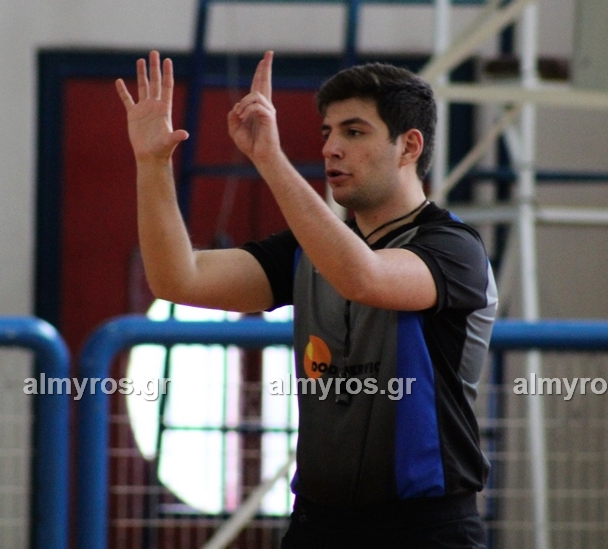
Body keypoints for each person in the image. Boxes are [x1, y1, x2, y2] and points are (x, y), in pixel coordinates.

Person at [116, 50, 497, 548]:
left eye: (354, 132)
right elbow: (177, 279)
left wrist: (271, 160)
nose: (331, 148)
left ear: (409, 146)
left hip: (425, 529)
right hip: (317, 524)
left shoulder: (454, 249)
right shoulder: (308, 250)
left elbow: (363, 277)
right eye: (327, 132)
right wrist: (152, 164)